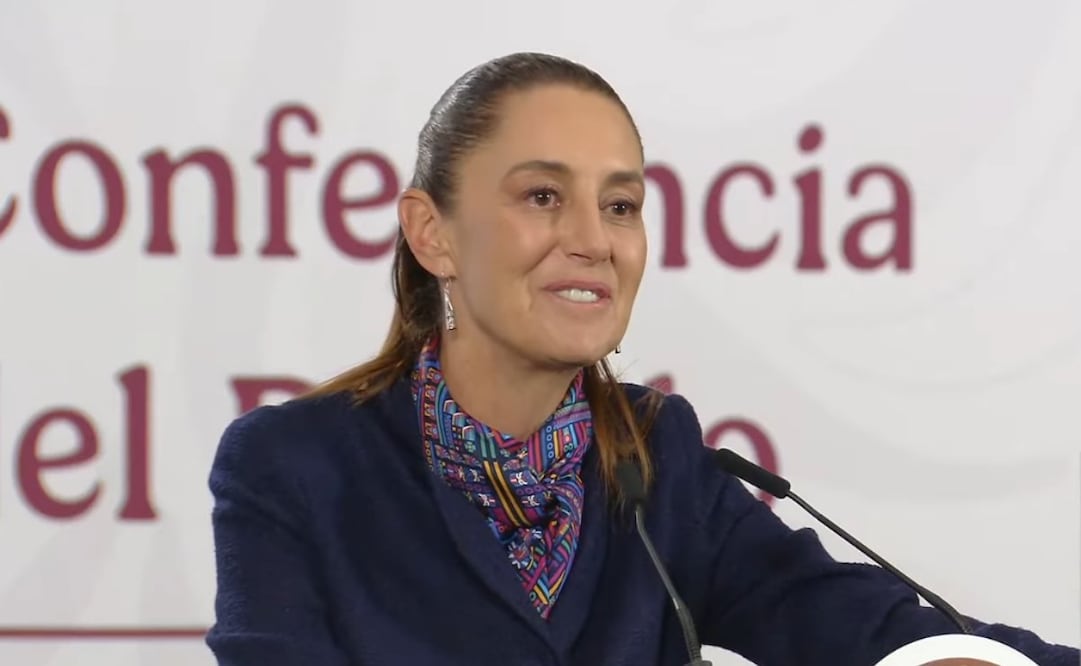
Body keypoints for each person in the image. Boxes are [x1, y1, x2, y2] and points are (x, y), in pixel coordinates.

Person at [205, 52, 1078, 666]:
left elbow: (852, 623)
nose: (593, 240)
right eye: (543, 197)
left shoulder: (658, 458)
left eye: (621, 205)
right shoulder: (292, 467)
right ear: (432, 233)